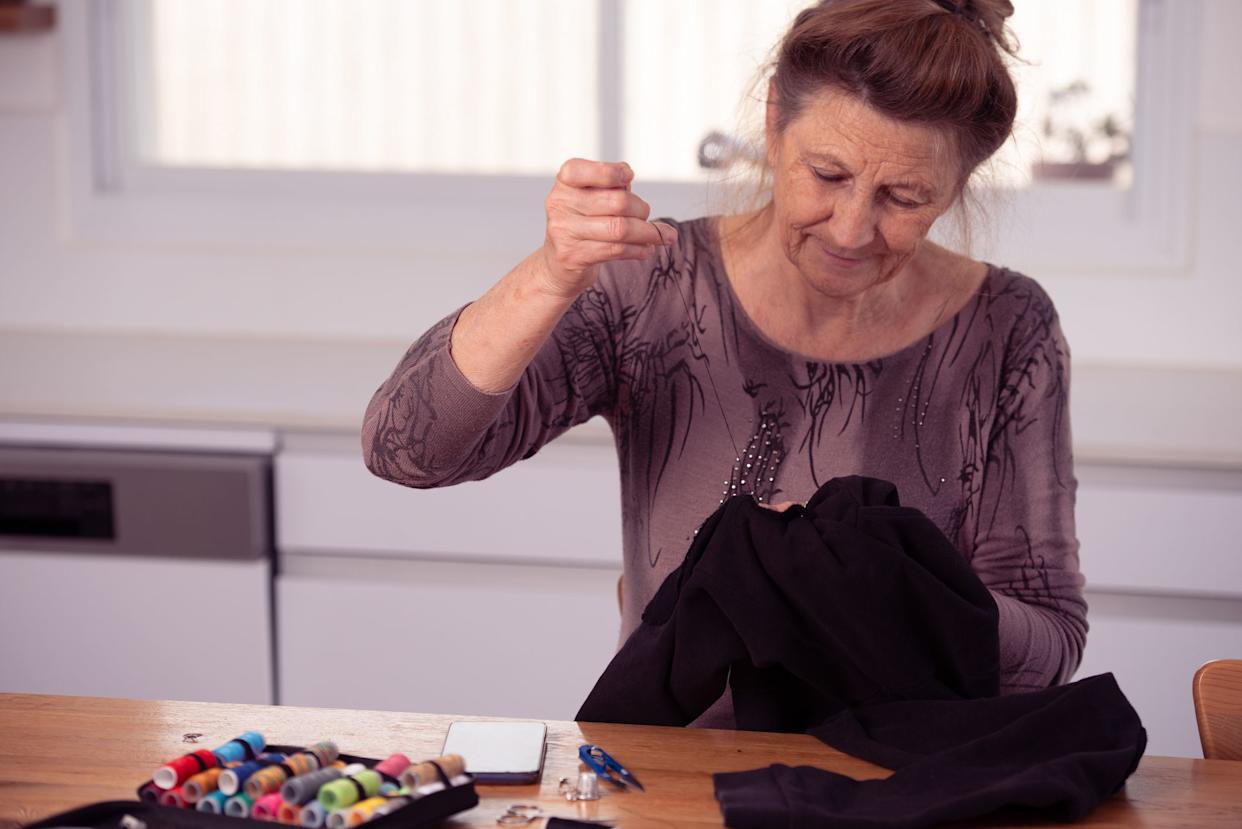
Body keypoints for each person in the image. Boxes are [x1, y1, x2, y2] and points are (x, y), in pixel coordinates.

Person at [361, 0, 1086, 724]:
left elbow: (1051, 642)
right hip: (664, 781)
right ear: (774, 123)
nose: (852, 228)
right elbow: (407, 451)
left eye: (904, 196)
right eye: (828, 174)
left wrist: (878, 574)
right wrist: (550, 276)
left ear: (960, 182)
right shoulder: (655, 288)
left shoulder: (1007, 331)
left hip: (893, 785)